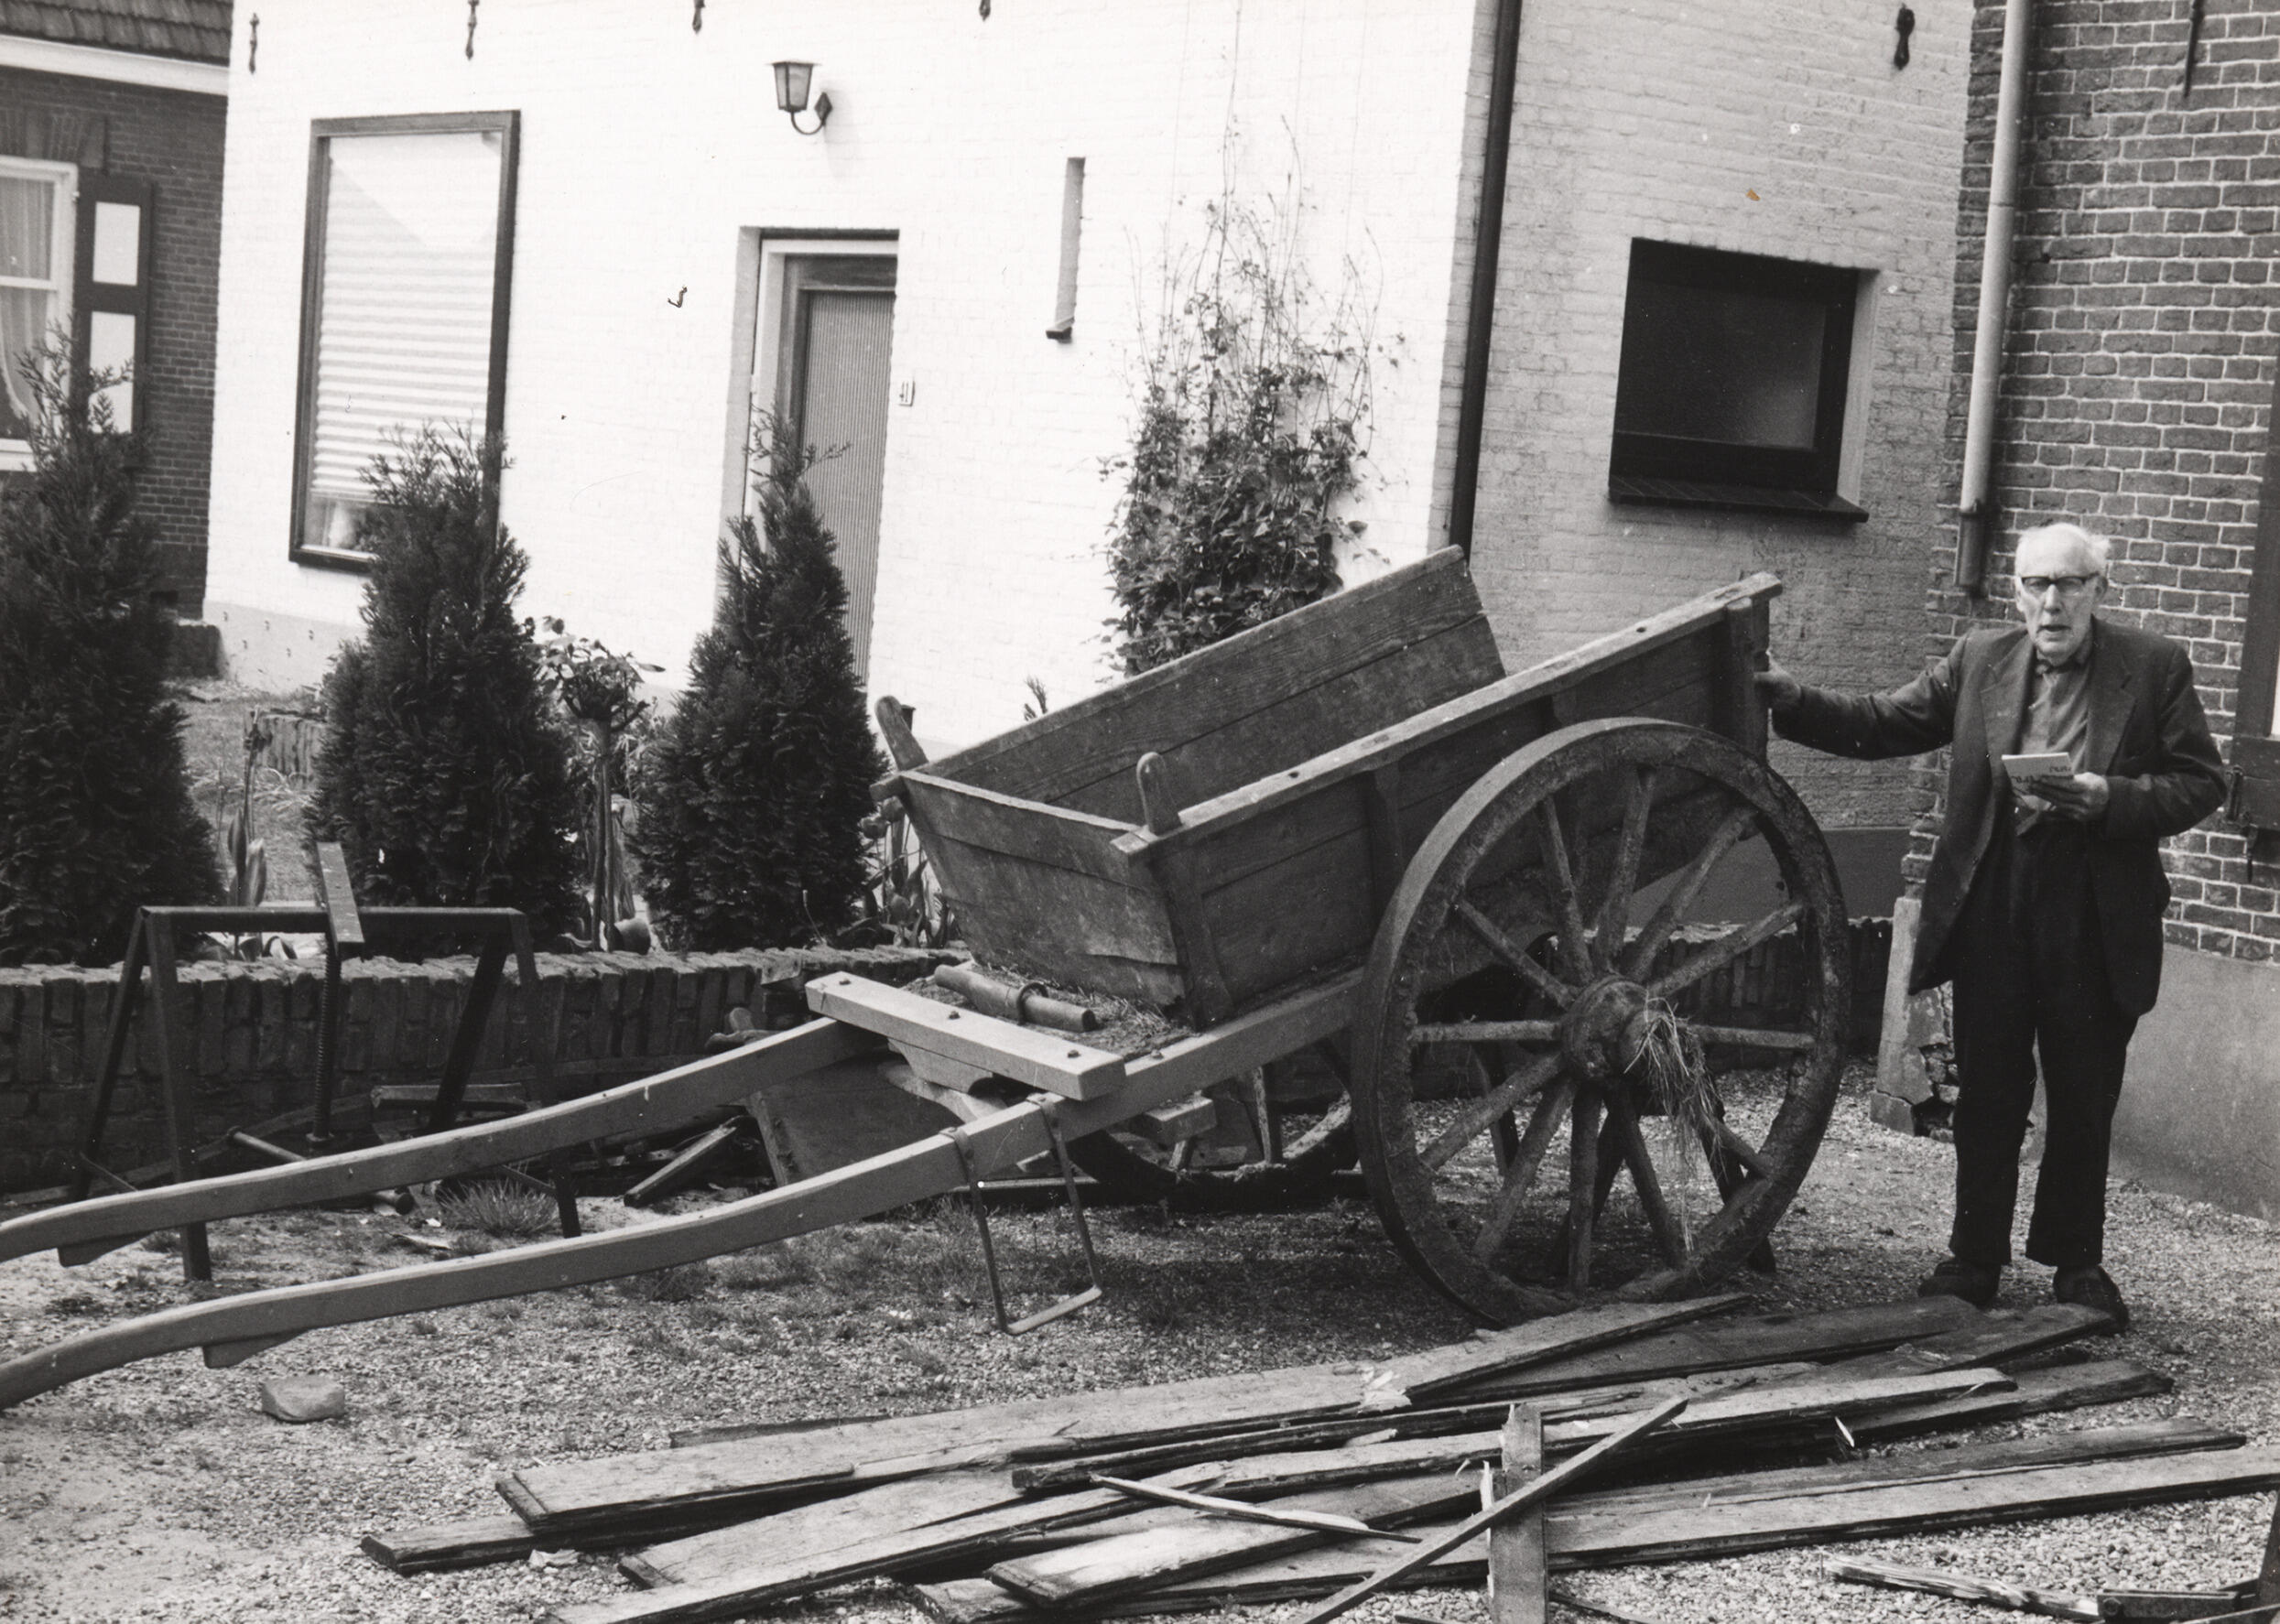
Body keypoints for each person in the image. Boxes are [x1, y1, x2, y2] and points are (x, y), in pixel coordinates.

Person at [1755, 522, 2225, 1331]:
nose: (2053, 602)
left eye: (2070, 584)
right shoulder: (1981, 657)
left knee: (2082, 1097)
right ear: (2017, 592)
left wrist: (2111, 798)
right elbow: (1886, 720)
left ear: (2099, 590)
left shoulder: (2153, 667)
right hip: (1994, 904)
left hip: (2093, 913)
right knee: (1988, 1097)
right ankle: (1973, 1258)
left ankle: (2076, 1265)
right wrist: (1795, 700)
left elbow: (2201, 781)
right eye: (2037, 584)